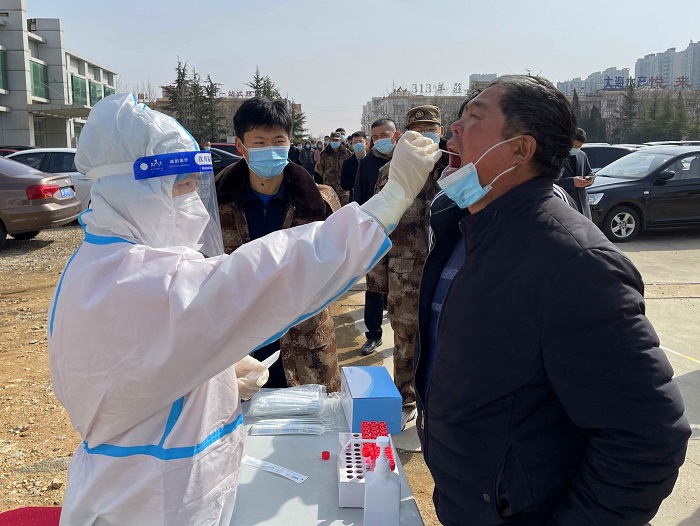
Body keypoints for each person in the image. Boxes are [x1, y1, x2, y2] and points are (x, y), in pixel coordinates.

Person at [48, 93, 440, 525]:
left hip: (150, 482)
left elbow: (146, 364)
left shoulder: (103, 262)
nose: (193, 202)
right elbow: (269, 272)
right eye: (180, 187)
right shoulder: (142, 278)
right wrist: (391, 199)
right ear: (130, 187)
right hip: (151, 500)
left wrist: (213, 372)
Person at [414, 75, 690, 525]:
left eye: (475, 117)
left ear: (520, 149)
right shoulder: (458, 227)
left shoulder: (575, 262)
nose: (454, 128)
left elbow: (647, 438)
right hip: (466, 498)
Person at [216, 97, 342, 391]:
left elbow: (340, 265)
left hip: (306, 343)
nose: (270, 150)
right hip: (238, 344)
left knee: (313, 416)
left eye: (278, 141)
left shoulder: (320, 203)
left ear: (289, 143)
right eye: (259, 143)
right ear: (241, 146)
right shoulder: (214, 204)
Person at [367, 105, 448, 429]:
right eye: (418, 131)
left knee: (445, 343)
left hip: (446, 275)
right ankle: (406, 401)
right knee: (405, 344)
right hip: (405, 277)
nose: (425, 136)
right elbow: (378, 228)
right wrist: (378, 283)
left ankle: (439, 406)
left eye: (431, 130)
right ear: (404, 136)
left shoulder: (457, 170)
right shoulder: (390, 173)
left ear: (441, 132)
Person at [353, 117, 399, 355]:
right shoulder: (367, 164)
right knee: (375, 286)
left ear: (396, 135)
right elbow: (359, 198)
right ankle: (373, 335)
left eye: (385, 135)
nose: (381, 140)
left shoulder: (408, 159)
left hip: (407, 235)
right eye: (376, 136)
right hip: (377, 231)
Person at [559, 127, 594, 218]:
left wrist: (589, 180)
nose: (577, 149)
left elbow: (589, 172)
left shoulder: (582, 155)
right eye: (574, 146)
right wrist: (571, 182)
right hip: (564, 204)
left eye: (579, 146)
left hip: (582, 205)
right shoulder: (556, 156)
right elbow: (549, 181)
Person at [316, 131, 352, 205]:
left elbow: (351, 169)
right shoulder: (324, 154)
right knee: (331, 209)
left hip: (343, 189)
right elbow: (319, 169)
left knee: (344, 209)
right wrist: (327, 176)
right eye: (333, 140)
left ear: (340, 141)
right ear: (330, 140)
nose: (335, 142)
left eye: (337, 140)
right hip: (329, 188)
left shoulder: (347, 153)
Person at [340, 131, 368, 202]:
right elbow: (344, 184)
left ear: (366, 143)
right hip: (355, 199)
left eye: (361, 142)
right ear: (352, 145)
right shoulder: (348, 163)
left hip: (371, 198)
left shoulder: (373, 160)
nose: (358, 144)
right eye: (355, 142)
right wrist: (357, 184)